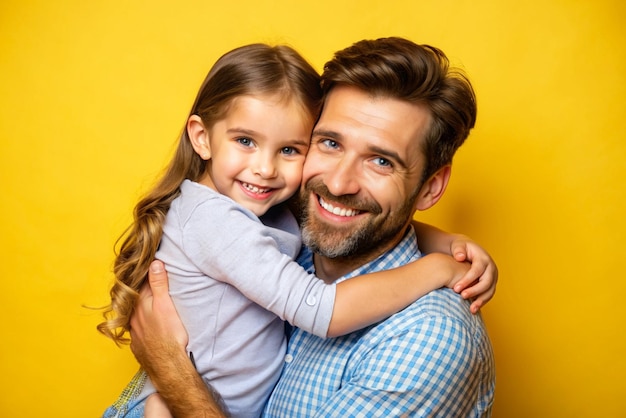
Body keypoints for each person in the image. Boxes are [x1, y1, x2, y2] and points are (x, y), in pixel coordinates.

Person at [99, 43, 496, 418]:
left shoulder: (426, 341)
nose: (339, 184)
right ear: (202, 137)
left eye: (380, 161)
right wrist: (440, 263)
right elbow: (333, 278)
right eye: (329, 143)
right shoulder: (292, 235)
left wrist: (172, 372)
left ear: (430, 187)